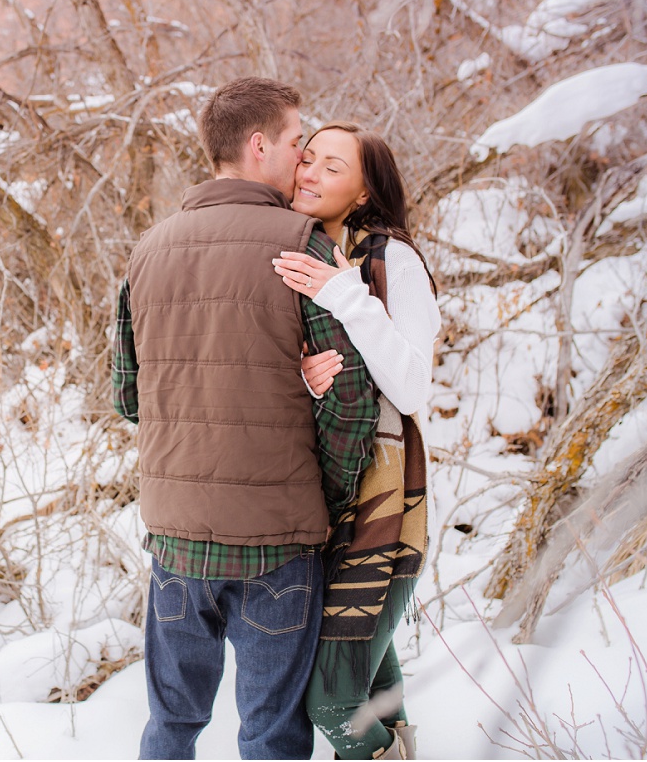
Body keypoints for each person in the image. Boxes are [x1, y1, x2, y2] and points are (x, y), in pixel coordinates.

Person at [112, 78, 380, 760]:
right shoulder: (302, 243)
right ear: (259, 145)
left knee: (171, 724)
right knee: (269, 735)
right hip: (278, 545)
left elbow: (128, 397)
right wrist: (327, 494)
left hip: (176, 540)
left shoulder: (148, 250)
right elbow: (349, 396)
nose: (303, 159)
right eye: (297, 142)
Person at [272, 122, 441, 760]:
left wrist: (347, 296)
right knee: (374, 683)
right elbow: (350, 382)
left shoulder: (391, 259)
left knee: (336, 702)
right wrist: (313, 383)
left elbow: (413, 385)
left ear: (366, 190)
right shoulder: (312, 251)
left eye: (332, 167)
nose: (310, 172)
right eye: (307, 158)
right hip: (330, 502)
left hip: (387, 510)